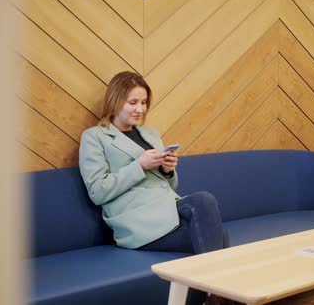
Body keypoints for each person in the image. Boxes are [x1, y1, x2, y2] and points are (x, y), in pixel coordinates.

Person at [79, 71, 226, 255]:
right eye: (133, 102)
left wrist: (167, 170)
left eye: (144, 102)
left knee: (206, 205)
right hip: (139, 222)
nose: (140, 109)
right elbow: (97, 191)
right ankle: (210, 283)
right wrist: (139, 165)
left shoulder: (150, 134)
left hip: (167, 210)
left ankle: (203, 283)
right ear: (115, 101)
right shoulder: (94, 137)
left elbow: (169, 186)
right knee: (215, 231)